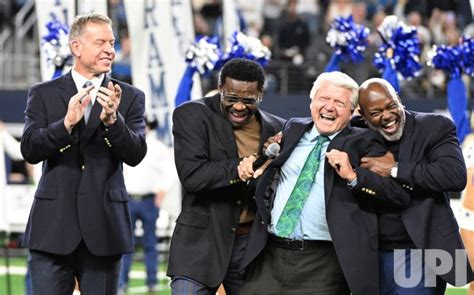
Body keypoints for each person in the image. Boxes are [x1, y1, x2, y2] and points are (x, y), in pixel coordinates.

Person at [237, 71, 411, 295]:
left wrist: (354, 176)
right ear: (311, 103)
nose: (329, 107)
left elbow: (398, 195)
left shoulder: (365, 141)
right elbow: (266, 174)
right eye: (324, 99)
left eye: (339, 102)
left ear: (352, 112)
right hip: (269, 256)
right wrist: (253, 169)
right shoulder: (292, 129)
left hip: (325, 263)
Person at [20, 13, 147, 294]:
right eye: (100, 42)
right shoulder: (43, 93)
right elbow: (29, 149)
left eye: (112, 43)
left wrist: (114, 122)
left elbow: (136, 154)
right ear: (76, 47)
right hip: (52, 227)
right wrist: (65, 124)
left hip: (104, 229)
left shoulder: (130, 96)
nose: (110, 50)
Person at [166, 58, 285, 294]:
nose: (239, 106)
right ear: (221, 88)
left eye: (248, 100)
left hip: (251, 248)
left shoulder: (277, 128)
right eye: (231, 98)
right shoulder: (192, 114)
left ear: (261, 93)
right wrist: (237, 169)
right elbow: (192, 176)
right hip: (200, 245)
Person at [356, 77, 474, 294]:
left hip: (419, 251)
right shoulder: (355, 134)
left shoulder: (435, 126)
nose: (388, 115)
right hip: (369, 254)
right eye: (376, 113)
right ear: (362, 116)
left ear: (399, 100)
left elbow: (455, 177)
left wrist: (395, 169)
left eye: (392, 105)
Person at [119, 118, 178, 293]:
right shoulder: (126, 143)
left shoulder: (158, 147)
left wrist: (162, 190)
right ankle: (122, 282)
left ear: (149, 127)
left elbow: (170, 171)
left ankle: (151, 281)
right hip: (128, 197)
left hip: (148, 199)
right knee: (125, 243)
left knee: (150, 242)